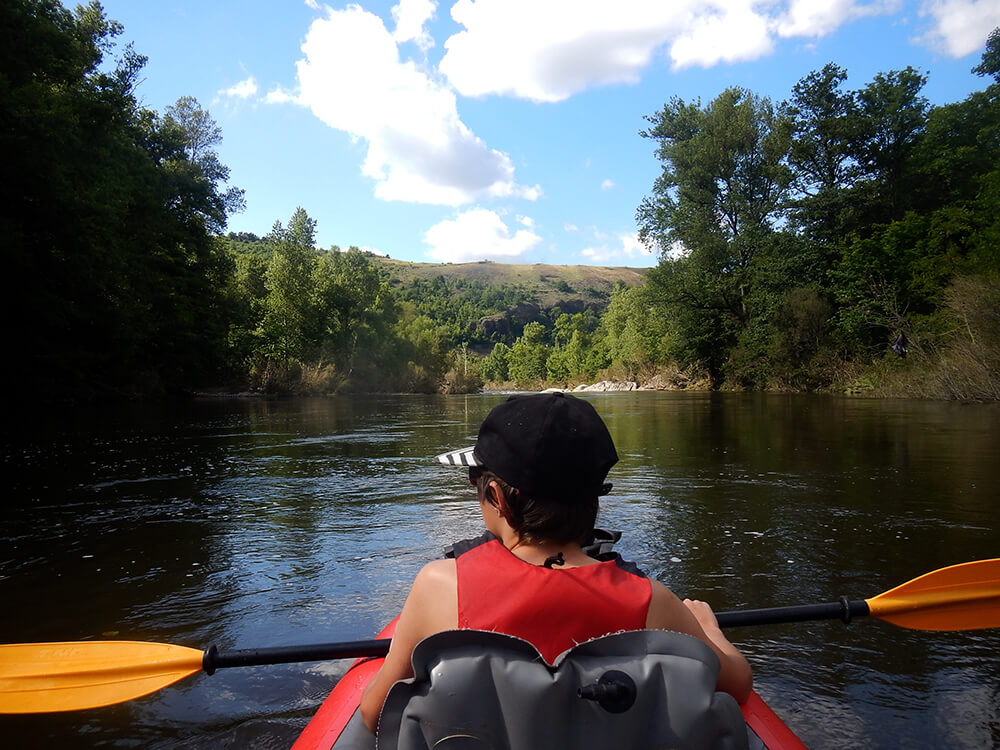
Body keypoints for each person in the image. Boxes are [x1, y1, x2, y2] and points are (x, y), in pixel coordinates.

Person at [359, 392, 752, 733]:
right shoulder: (652, 601)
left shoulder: (441, 586)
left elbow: (376, 712)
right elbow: (737, 683)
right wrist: (708, 628)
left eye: (475, 481)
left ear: (496, 496)